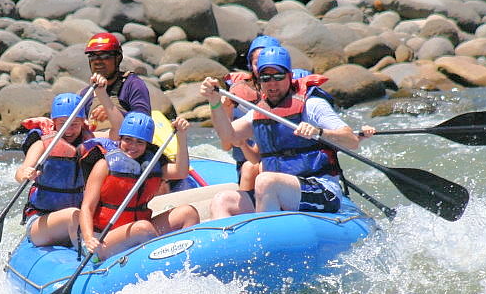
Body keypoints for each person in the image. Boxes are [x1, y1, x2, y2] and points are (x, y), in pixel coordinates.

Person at [200, 46, 361, 219]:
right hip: (278, 190)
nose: (272, 83)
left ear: (290, 76)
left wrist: (319, 132)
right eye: (265, 77)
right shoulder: (257, 112)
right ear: (258, 80)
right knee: (222, 200)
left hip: (320, 189)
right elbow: (228, 136)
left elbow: (352, 141)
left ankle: (264, 239)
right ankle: (232, 245)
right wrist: (214, 102)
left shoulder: (311, 105)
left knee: (265, 180)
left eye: (278, 76)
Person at [79, 112, 199, 261]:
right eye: (128, 140)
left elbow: (181, 172)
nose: (133, 146)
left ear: (147, 145)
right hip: (103, 237)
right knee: (143, 228)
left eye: (139, 142)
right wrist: (89, 238)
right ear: (120, 138)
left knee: (188, 213)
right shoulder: (104, 165)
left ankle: (189, 260)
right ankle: (166, 261)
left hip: (139, 228)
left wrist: (181, 135)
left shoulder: (151, 165)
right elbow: (87, 207)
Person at [16, 93, 104, 247]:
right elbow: (21, 171)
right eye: (63, 123)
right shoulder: (42, 144)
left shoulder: (90, 143)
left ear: (83, 123)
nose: (69, 130)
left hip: (78, 219)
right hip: (41, 221)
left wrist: (106, 101)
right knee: (73, 215)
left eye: (75, 124)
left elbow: (120, 137)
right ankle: (88, 253)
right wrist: (26, 173)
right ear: (54, 122)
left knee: (79, 215)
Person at [81, 32, 152, 139]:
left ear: (118, 58)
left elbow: (144, 122)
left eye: (104, 56)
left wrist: (113, 113)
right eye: (93, 56)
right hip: (96, 147)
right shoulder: (87, 93)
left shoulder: (132, 84)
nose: (97, 62)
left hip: (127, 148)